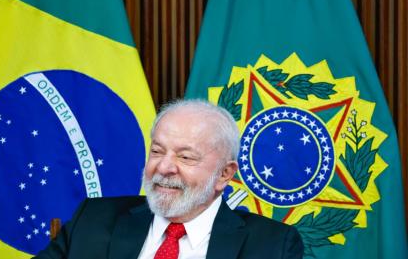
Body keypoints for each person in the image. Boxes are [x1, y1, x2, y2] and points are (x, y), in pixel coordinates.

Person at [34, 99, 304, 259]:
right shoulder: (93, 219)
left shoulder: (272, 245)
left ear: (225, 174)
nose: (163, 167)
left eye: (185, 157)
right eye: (157, 151)